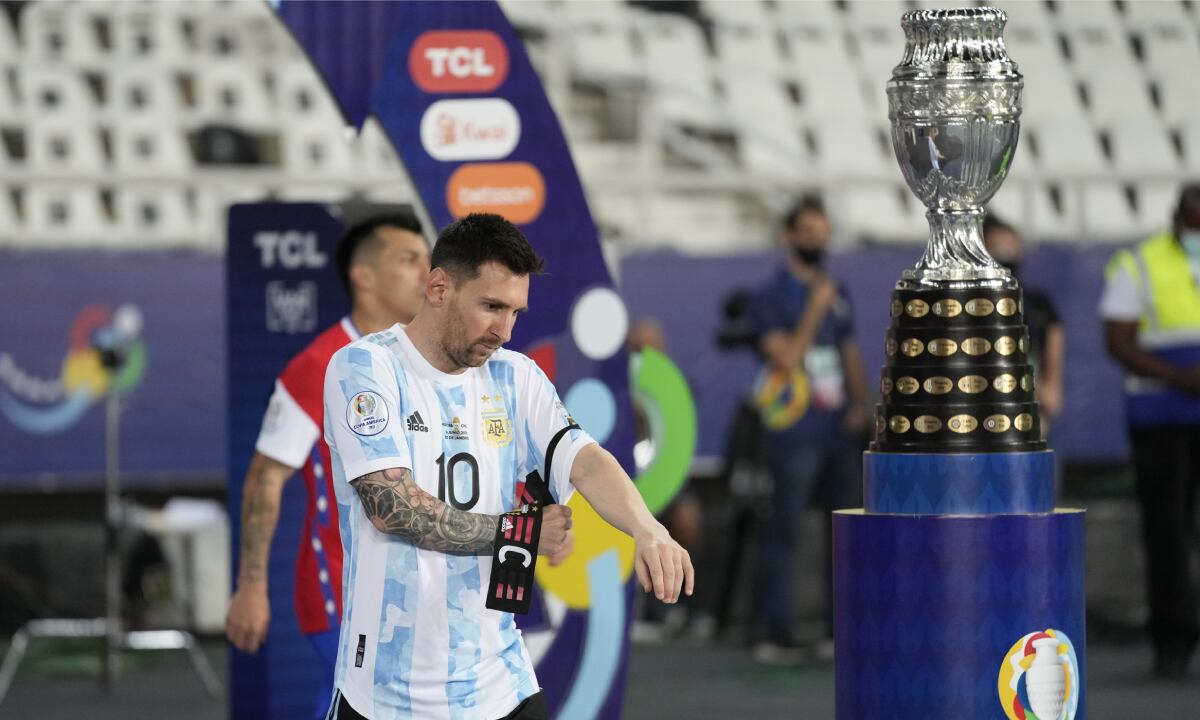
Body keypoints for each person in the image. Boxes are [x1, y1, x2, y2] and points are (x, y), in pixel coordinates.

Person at [322, 213, 693, 719]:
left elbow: (586, 461)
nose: (504, 330)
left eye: (515, 312)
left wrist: (649, 530)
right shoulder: (366, 366)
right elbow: (393, 508)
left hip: (500, 682)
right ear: (438, 288)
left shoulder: (516, 376)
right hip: (386, 694)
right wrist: (521, 534)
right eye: (492, 306)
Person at [225, 214, 430, 718]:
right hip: (341, 587)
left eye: (429, 260)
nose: (428, 274)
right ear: (364, 276)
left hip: (413, 588)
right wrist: (251, 587)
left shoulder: (427, 362)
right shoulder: (318, 365)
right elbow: (265, 476)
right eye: (410, 260)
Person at [747, 195, 868, 664]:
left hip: (838, 427)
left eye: (823, 232)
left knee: (844, 533)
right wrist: (816, 307)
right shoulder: (771, 296)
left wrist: (861, 404)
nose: (818, 240)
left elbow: (848, 351)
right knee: (785, 528)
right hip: (794, 430)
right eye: (809, 232)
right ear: (789, 236)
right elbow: (786, 357)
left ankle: (840, 631)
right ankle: (773, 630)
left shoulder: (840, 291)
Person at [1101, 183, 1200, 679]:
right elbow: (1118, 341)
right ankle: (1173, 643)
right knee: (1166, 531)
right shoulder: (1138, 262)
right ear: (1177, 216)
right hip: (1162, 418)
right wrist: (1181, 378)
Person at [983, 214, 1064, 436]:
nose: (1006, 258)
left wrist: (1038, 393)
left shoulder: (1038, 306)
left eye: (1011, 249)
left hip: (1031, 419)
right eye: (998, 251)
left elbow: (1053, 395)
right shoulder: (969, 308)